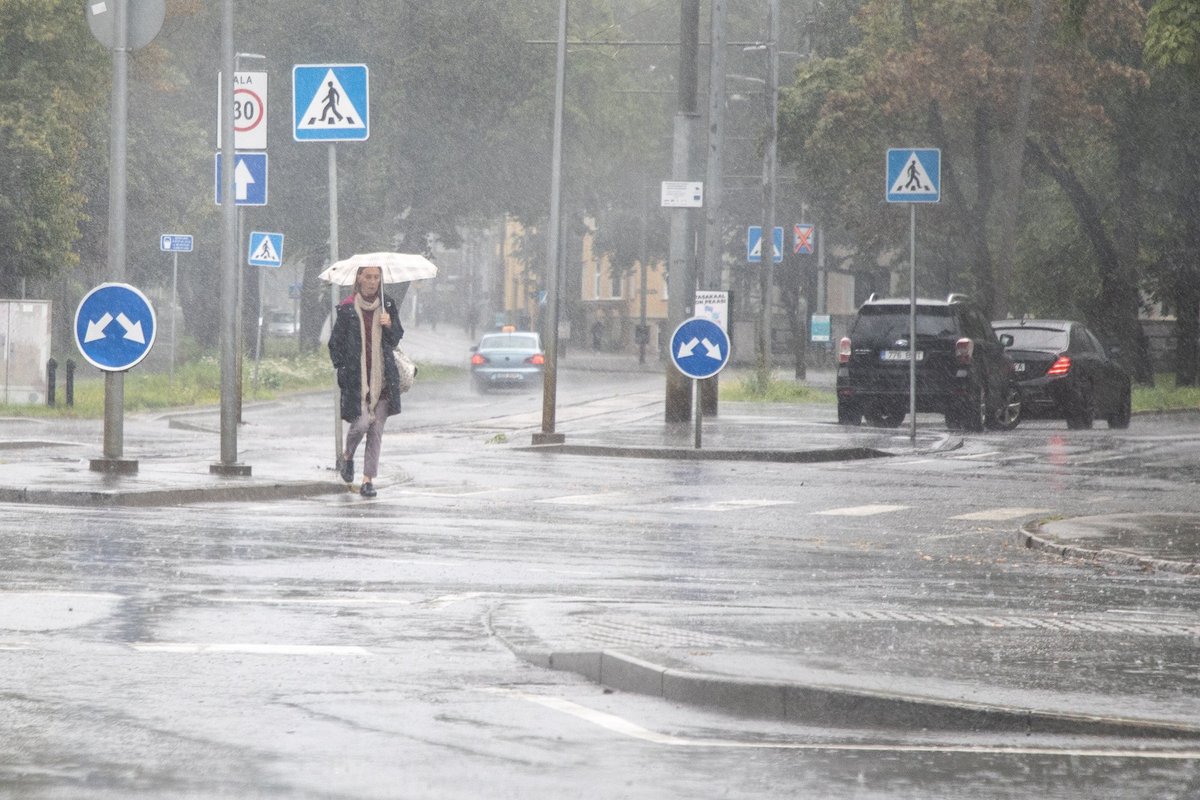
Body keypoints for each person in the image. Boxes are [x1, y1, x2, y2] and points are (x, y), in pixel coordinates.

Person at [328, 266, 404, 497]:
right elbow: (335, 344)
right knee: (360, 424)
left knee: (376, 431)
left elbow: (396, 337)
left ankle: (368, 480)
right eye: (368, 276)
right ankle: (348, 456)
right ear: (359, 278)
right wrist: (344, 369)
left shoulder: (387, 304)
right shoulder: (347, 307)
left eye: (376, 277)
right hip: (357, 381)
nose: (372, 282)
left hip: (383, 380)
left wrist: (389, 325)